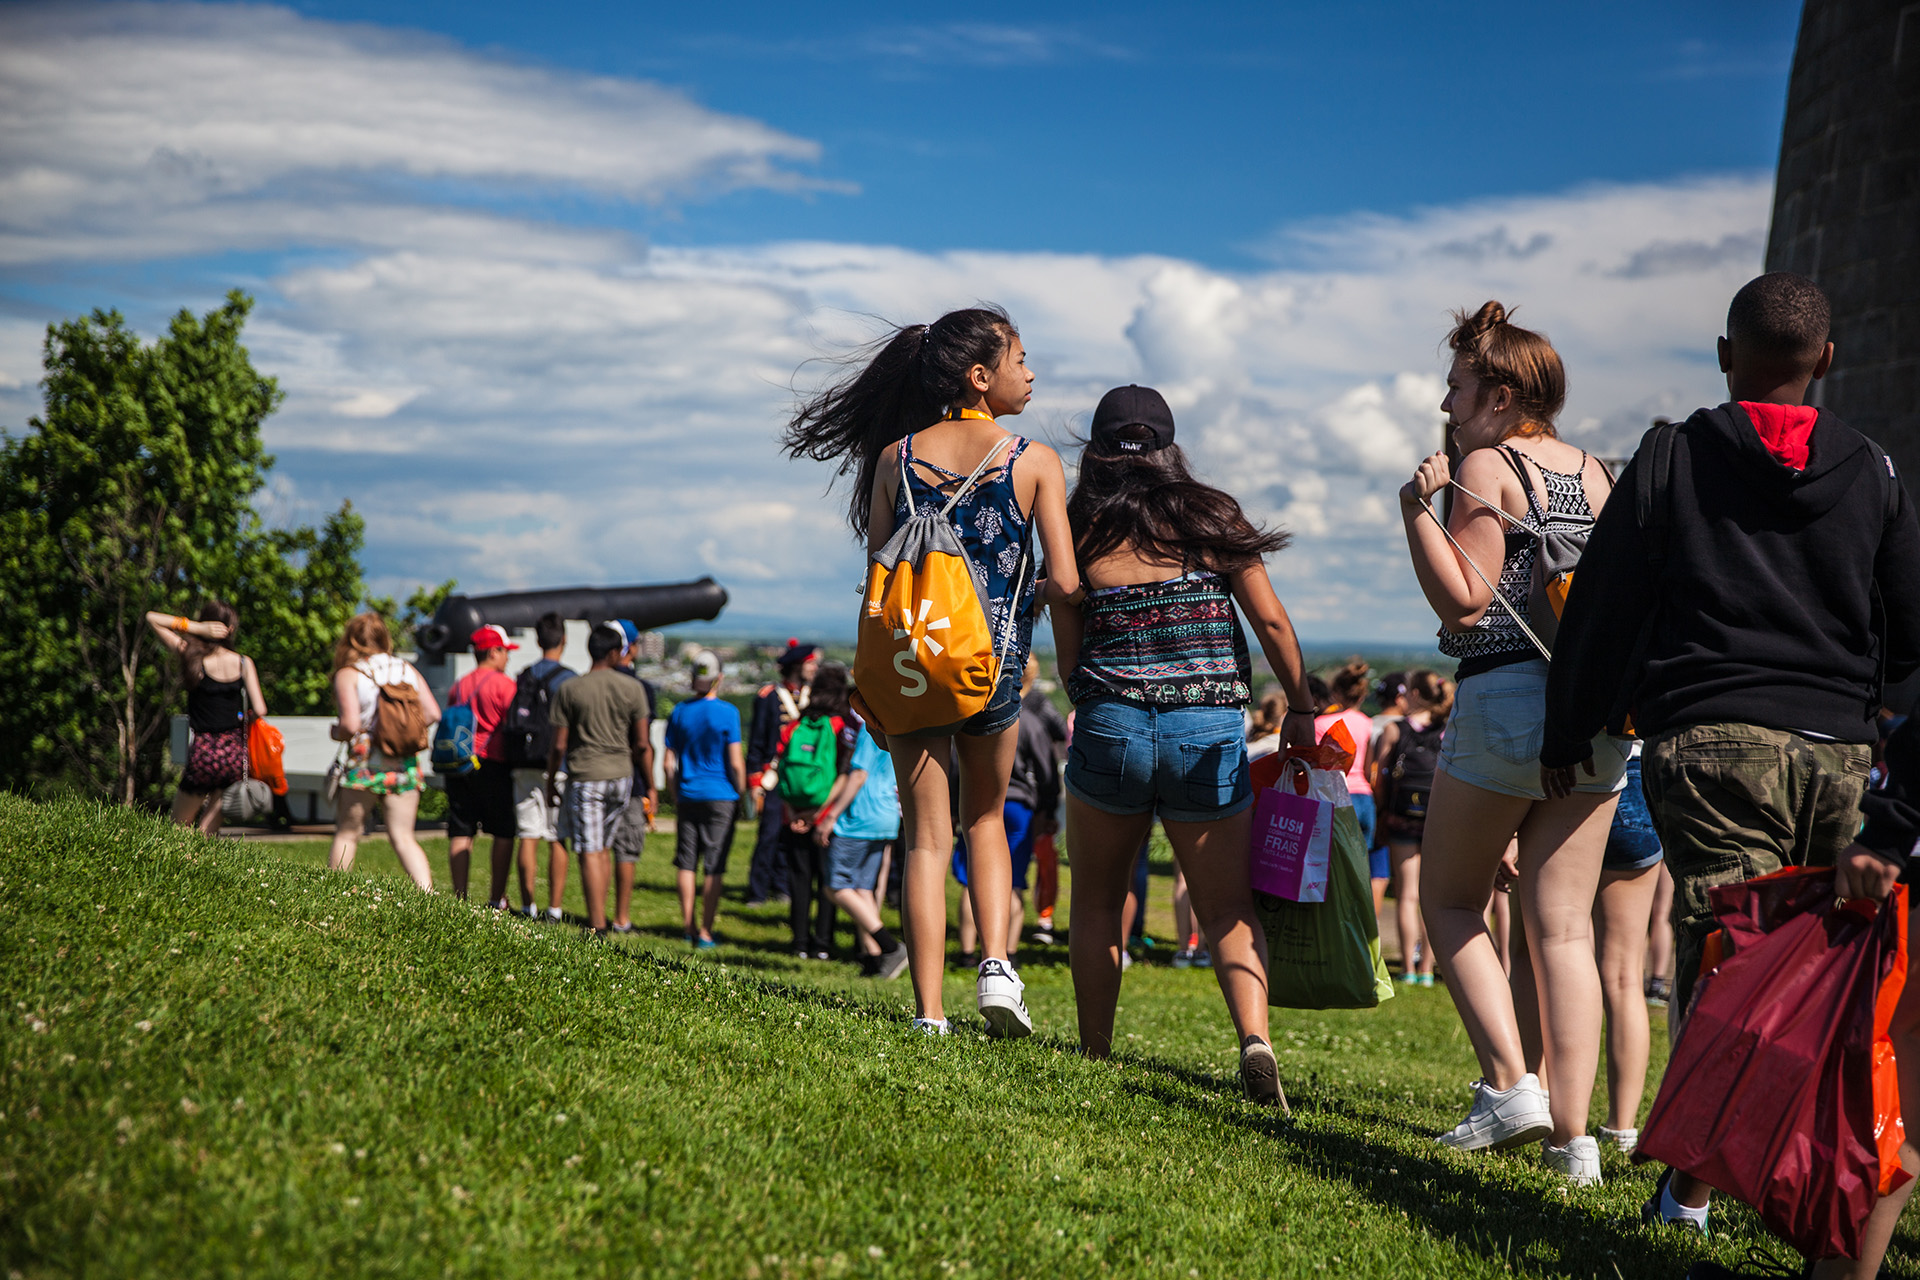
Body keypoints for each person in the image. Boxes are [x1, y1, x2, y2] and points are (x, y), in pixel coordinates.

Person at [1538, 273, 1920, 1270]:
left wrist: (1570, 724)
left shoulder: (1670, 455)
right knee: (1829, 978)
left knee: (1731, 960)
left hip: (1709, 741)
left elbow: (1604, 603)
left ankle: (1695, 1191)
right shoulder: (1873, 467)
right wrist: (1861, 699)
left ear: (1723, 353)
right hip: (1842, 750)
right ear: (1826, 361)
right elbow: (1912, 624)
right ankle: (1791, 1177)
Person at [783, 304, 1080, 1037]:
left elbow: (879, 575)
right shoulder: (1032, 460)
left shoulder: (894, 458)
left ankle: (928, 1013)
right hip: (994, 666)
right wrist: (1029, 588)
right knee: (985, 820)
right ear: (981, 377)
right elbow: (1068, 584)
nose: (1030, 372)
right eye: (1019, 359)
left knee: (924, 838)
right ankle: (997, 974)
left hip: (915, 667)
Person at [1399, 301, 1629, 1182]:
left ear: (1498, 395)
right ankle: (1578, 1145)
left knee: (1451, 902)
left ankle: (1508, 1085)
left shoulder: (1485, 466)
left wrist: (1417, 507)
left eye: (1457, 388)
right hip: (1596, 716)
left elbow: (1465, 599)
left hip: (1506, 698)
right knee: (1564, 933)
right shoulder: (1597, 474)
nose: (1446, 404)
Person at [1053, 382, 1314, 1105]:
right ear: (1170, 448)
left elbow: (1069, 662)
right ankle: (1255, 1042)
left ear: (1097, 450)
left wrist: (1105, 704)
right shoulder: (1211, 515)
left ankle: (1096, 1051)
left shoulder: (1078, 525)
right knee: (1228, 909)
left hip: (1113, 722)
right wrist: (1301, 706)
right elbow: (1272, 624)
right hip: (1207, 729)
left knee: (1100, 901)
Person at [547, 622, 654, 935]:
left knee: (589, 850)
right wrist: (642, 775)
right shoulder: (632, 688)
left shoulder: (571, 688)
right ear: (613, 652)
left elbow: (559, 745)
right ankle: (604, 916)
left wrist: (552, 778)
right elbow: (643, 743)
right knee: (603, 847)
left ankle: (597, 926)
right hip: (621, 775)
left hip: (586, 775)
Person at [327, 612, 439, 891]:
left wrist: (335, 732)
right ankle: (428, 897)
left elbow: (351, 725)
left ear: (350, 640)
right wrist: (399, 732)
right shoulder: (406, 669)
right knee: (403, 836)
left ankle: (335, 891)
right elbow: (432, 712)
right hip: (403, 759)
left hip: (366, 759)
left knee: (348, 833)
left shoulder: (349, 673)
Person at [1589, 740, 1663, 1157]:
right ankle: (1621, 1129)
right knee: (1623, 975)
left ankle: (1540, 1098)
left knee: (1544, 952)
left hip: (1581, 770)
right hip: (1639, 776)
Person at [146, 602, 268, 833]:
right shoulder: (244, 662)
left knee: (178, 826)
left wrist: (195, 628)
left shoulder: (191, 656)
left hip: (204, 753)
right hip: (234, 754)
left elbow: (152, 617)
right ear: (231, 629)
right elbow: (260, 710)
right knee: (207, 832)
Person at [812, 718, 910, 978]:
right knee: (863, 889)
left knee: (835, 886)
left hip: (861, 818)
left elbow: (858, 775)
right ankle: (874, 958)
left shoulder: (871, 729)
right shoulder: (896, 725)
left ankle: (889, 947)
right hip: (886, 814)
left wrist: (831, 816)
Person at [774, 663, 857, 958]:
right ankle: (823, 943)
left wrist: (794, 812)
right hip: (825, 818)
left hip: (792, 813)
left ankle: (799, 942)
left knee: (799, 879)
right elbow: (843, 772)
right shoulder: (840, 725)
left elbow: (782, 769)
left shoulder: (797, 724)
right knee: (826, 880)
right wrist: (817, 814)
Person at [662, 649, 743, 947]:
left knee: (686, 862)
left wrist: (676, 794)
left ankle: (688, 926)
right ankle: (707, 932)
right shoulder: (729, 713)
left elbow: (668, 764)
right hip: (721, 795)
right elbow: (736, 762)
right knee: (713, 864)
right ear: (719, 678)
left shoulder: (679, 712)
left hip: (688, 794)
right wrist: (742, 795)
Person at [1374, 671, 1450, 985]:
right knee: (1432, 896)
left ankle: (1406, 967)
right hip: (1439, 820)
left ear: (1414, 694)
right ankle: (1427, 969)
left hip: (1401, 817)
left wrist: (1383, 811)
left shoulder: (1394, 730)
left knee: (1407, 895)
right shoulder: (1449, 730)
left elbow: (1376, 775)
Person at [442, 625, 520, 905]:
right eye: (505, 651)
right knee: (503, 831)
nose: (508, 658)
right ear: (494, 651)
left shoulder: (459, 684)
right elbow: (515, 722)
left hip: (458, 763)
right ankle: (496, 898)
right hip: (492, 763)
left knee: (461, 829)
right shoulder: (504, 685)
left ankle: (460, 897)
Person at [512, 612, 575, 921]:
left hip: (525, 761)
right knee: (556, 834)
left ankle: (527, 906)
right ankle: (554, 908)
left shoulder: (525, 675)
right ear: (564, 639)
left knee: (528, 834)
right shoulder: (569, 679)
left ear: (537, 640)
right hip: (558, 764)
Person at [744, 641, 815, 905]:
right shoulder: (770, 697)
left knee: (791, 836)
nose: (813, 668)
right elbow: (758, 742)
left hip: (799, 776)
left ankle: (782, 886)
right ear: (798, 665)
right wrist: (754, 780)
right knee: (769, 835)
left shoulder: (811, 695)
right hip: (774, 775)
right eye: (809, 663)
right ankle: (758, 890)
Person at [1318, 658, 1379, 905]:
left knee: (1332, 872)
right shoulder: (1368, 723)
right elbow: (1368, 768)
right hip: (1365, 799)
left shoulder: (1321, 724)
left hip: (1335, 798)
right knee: (1359, 869)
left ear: (1334, 692)